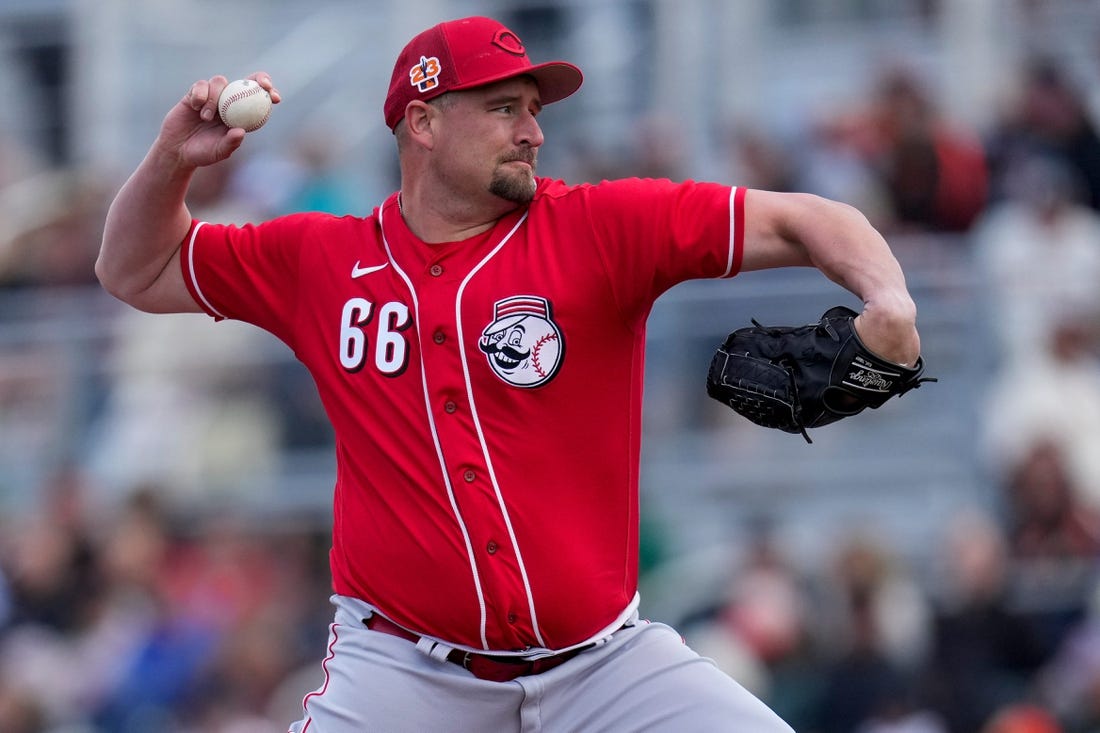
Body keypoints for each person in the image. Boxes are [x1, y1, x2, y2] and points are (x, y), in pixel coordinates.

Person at [96, 15, 922, 733]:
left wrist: (888, 301)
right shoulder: (317, 259)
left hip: (606, 668)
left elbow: (809, 217)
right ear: (422, 121)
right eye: (502, 108)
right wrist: (174, 159)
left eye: (534, 110)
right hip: (404, 675)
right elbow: (135, 268)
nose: (532, 131)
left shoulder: (598, 228)